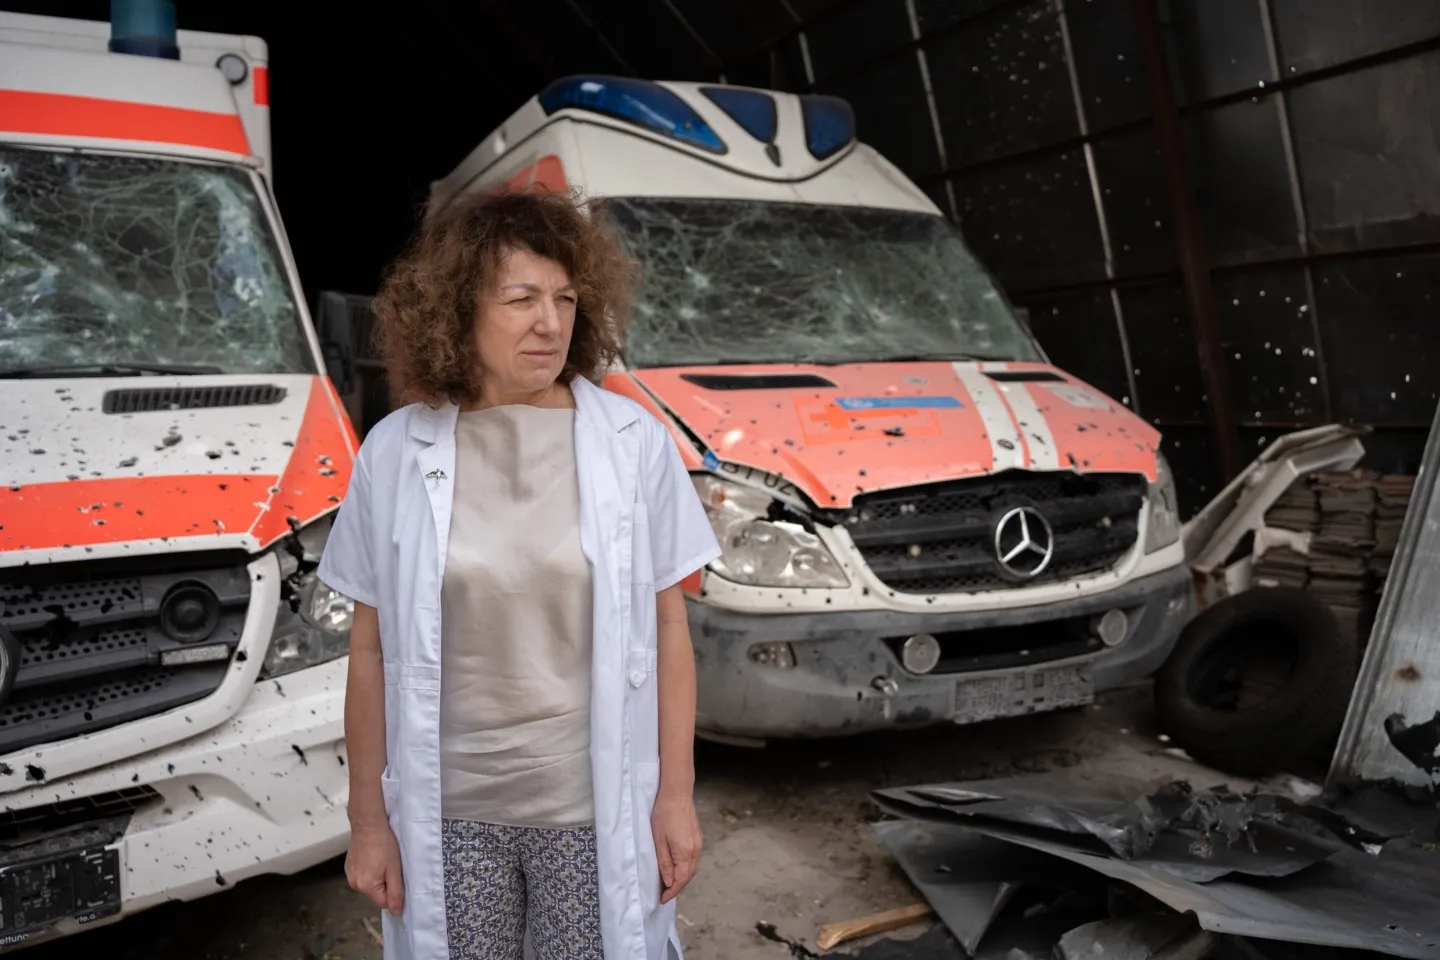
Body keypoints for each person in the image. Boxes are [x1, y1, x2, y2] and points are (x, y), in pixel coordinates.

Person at [316, 188, 722, 960]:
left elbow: (671, 633)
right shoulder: (397, 452)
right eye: (522, 298)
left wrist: (674, 796)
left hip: (589, 810)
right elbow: (367, 653)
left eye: (566, 298)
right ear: (458, 309)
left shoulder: (633, 443)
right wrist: (369, 822)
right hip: (451, 816)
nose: (551, 322)